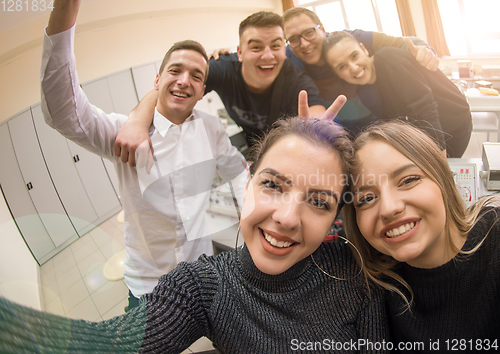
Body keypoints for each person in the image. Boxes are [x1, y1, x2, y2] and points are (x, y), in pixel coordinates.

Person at [0, 115, 390, 353]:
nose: (287, 218)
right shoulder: (203, 288)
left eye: (319, 202)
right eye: (273, 185)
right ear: (249, 182)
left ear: (336, 218)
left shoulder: (353, 270)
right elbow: (109, 345)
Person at [41, 0, 247, 310]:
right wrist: (65, 12)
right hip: (149, 285)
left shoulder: (210, 127)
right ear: (156, 81)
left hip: (201, 270)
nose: (183, 80)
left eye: (195, 75)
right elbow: (63, 113)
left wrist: (250, 210)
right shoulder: (123, 132)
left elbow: (236, 169)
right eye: (175, 70)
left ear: (202, 89)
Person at [342, 120, 500, 352]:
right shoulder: (365, 283)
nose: (389, 208)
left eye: (408, 180)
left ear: (442, 177)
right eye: (366, 198)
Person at [114, 11, 328, 167]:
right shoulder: (222, 68)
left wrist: (317, 130)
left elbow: (317, 115)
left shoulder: (295, 79)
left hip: (285, 147)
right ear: (240, 52)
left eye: (275, 46)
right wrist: (136, 123)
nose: (268, 56)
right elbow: (164, 92)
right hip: (254, 146)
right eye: (256, 47)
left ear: (285, 49)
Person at [323, 31, 472, 158]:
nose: (354, 68)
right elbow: (389, 122)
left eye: (354, 56)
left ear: (364, 49)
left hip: (454, 125)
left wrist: (441, 165)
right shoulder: (363, 90)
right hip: (425, 132)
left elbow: (426, 110)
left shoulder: (390, 60)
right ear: (337, 73)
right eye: (342, 67)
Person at [282, 7, 440, 105]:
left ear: (322, 29)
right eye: (294, 39)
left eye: (309, 32)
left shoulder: (349, 40)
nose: (304, 44)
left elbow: (404, 42)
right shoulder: (289, 55)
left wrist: (424, 49)